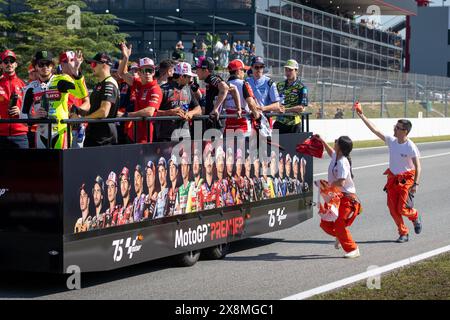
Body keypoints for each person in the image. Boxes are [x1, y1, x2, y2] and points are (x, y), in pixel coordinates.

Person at [354, 103, 422, 243]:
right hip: (392, 179)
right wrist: (361, 115)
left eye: (397, 128)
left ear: (405, 131)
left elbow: (418, 166)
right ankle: (403, 233)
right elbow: (375, 130)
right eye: (395, 126)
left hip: (406, 180)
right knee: (392, 209)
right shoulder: (392, 141)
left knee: (402, 209)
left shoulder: (411, 147)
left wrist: (416, 183)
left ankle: (414, 215)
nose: (394, 129)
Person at [22, 50, 89, 149]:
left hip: (61, 131)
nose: (45, 67)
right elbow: (23, 117)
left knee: (62, 163)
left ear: (52, 66)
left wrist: (76, 73)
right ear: (36, 67)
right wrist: (34, 117)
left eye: (48, 64)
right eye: (41, 64)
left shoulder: (62, 80)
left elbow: (81, 95)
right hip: (41, 133)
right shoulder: (31, 87)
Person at [315, 135, 362, 258]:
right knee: (325, 224)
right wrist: (323, 141)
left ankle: (353, 249)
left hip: (346, 198)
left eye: (337, 142)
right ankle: (340, 236)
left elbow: (341, 182)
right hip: (334, 196)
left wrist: (326, 184)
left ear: (340, 147)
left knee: (339, 224)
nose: (334, 142)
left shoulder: (342, 162)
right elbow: (331, 152)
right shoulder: (337, 156)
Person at [118, 43, 162, 143]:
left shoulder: (155, 89)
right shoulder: (137, 83)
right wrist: (126, 57)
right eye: (144, 70)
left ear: (154, 72)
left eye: (150, 70)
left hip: (146, 136)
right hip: (133, 133)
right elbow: (121, 73)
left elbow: (149, 112)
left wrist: (126, 115)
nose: (147, 73)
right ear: (139, 72)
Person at [155, 62, 202, 142]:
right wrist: (169, 112)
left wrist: (190, 113)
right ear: (181, 76)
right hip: (166, 136)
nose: (191, 79)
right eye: (189, 76)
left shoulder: (188, 89)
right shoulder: (162, 89)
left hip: (185, 135)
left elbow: (198, 109)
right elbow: (153, 112)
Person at [84, 52, 120, 147]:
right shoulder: (100, 84)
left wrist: (82, 119)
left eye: (94, 64)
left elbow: (104, 111)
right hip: (95, 134)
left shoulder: (109, 83)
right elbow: (94, 108)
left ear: (103, 64)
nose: (92, 67)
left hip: (104, 137)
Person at [223, 59, 261, 136]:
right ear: (238, 71)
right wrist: (257, 116)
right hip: (242, 122)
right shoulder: (243, 84)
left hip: (228, 122)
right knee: (244, 147)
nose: (244, 73)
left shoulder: (224, 85)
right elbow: (251, 103)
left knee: (229, 147)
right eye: (243, 70)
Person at [195, 56, 231, 132]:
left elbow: (225, 87)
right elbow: (233, 89)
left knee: (213, 144)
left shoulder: (212, 78)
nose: (196, 71)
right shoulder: (209, 80)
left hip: (215, 120)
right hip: (213, 119)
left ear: (205, 70)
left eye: (197, 69)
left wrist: (215, 109)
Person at [0, 50, 27, 149]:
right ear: (1, 65)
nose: (9, 64)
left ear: (16, 64)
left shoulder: (24, 85)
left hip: (20, 135)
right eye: (6, 62)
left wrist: (20, 112)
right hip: (1, 135)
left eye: (11, 61)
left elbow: (31, 110)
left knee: (22, 165)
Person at [275, 59, 308, 133]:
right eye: (286, 70)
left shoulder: (302, 87)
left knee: (294, 145)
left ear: (296, 71)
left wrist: (285, 110)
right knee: (274, 144)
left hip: (294, 124)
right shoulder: (279, 85)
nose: (287, 72)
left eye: (290, 70)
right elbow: (273, 102)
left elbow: (301, 108)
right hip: (279, 122)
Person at [198, 143, 220, 210]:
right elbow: (199, 211)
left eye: (211, 159)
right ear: (204, 164)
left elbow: (221, 208)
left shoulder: (219, 185)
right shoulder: (200, 188)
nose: (209, 162)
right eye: (207, 159)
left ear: (213, 163)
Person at [186, 148, 204, 213]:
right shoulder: (191, 186)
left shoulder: (204, 184)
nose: (194, 165)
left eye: (197, 162)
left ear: (200, 166)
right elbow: (188, 209)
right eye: (193, 162)